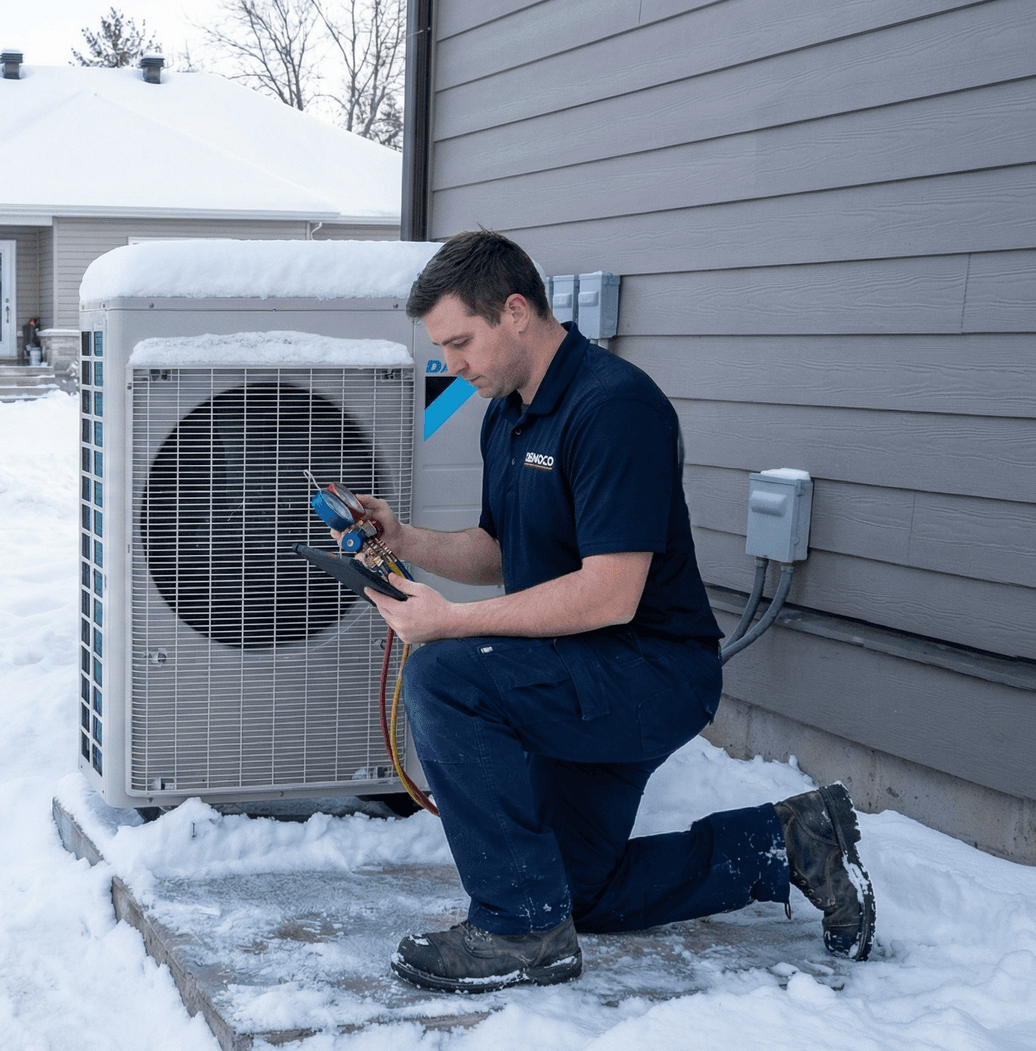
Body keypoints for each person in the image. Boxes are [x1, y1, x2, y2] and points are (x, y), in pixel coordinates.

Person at [351, 230, 874, 994]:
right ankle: (791, 842)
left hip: (649, 672)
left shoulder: (615, 407)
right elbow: (498, 547)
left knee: (444, 677)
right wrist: (403, 537)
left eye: (461, 342)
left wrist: (453, 623)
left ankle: (517, 929)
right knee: (580, 891)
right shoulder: (507, 414)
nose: (452, 367)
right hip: (575, 668)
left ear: (516, 310)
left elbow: (610, 593)